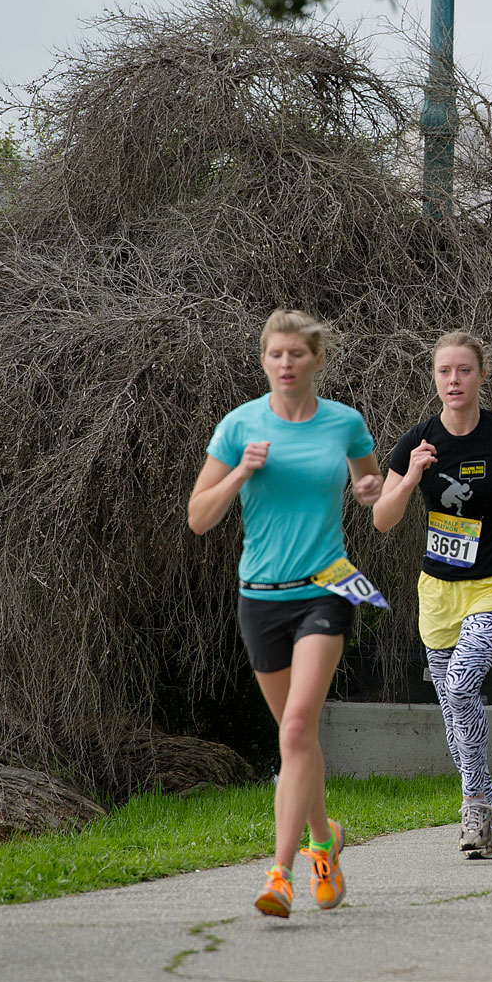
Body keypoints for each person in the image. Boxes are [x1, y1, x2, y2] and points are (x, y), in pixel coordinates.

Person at [187, 309, 385, 918]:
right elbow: (199, 516)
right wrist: (241, 472)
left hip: (325, 588)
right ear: (265, 360)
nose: (286, 364)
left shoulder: (344, 424)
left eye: (297, 354)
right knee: (296, 741)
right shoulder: (239, 426)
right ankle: (325, 842)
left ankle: (281, 874)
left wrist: (369, 491)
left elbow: (368, 481)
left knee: (297, 729)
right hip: (260, 598)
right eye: (276, 355)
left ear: (316, 360)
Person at [373, 331, 492, 857]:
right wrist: (411, 475)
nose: (454, 380)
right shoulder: (418, 440)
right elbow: (382, 519)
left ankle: (475, 808)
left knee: (460, 689)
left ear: (481, 375)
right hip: (437, 593)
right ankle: (488, 810)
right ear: (434, 378)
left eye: (464, 370)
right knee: (454, 714)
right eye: (444, 372)